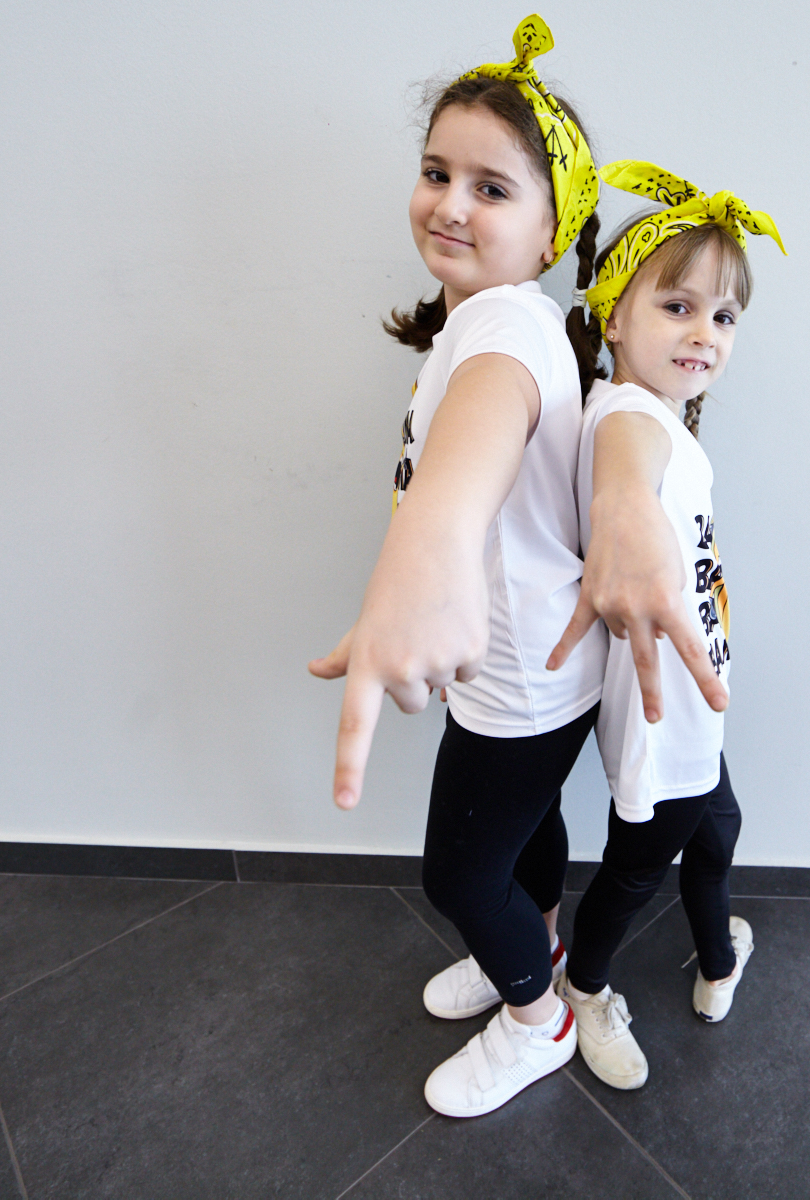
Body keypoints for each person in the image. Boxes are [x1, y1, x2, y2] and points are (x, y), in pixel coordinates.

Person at [307, 19, 724, 1119]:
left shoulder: (508, 327)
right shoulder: (476, 326)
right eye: (436, 172)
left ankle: (537, 1017)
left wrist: (425, 558)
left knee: (456, 875)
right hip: (515, 664)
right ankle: (529, 950)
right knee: (526, 833)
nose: (450, 203)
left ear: (551, 232)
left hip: (520, 680)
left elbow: (473, 451)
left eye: (491, 188)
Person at [546, 161, 785, 1089]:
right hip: (661, 712)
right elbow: (623, 467)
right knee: (638, 866)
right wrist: (622, 508)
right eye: (677, 307)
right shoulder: (627, 415)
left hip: (696, 705)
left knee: (717, 829)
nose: (703, 333)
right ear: (614, 318)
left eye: (723, 316)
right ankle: (585, 989)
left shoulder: (666, 424)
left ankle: (719, 957)